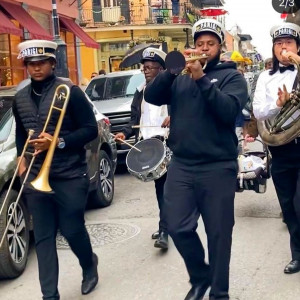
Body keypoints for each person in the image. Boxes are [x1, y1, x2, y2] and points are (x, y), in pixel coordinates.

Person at [144, 19, 248, 300]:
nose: (204, 48)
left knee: (218, 235)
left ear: (220, 47)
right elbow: (152, 96)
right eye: (199, 43)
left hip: (218, 166)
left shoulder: (232, 77)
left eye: (210, 44)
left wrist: (202, 78)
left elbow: (228, 111)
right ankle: (200, 278)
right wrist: (171, 70)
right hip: (182, 164)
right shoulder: (178, 77)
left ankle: (219, 293)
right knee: (177, 226)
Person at [13, 40, 99, 299]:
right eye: (31, 64)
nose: (36, 68)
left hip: (71, 173)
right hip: (37, 177)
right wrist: (21, 156)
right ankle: (49, 295)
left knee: (72, 229)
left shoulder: (70, 91)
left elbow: (90, 130)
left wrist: (59, 142)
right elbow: (21, 132)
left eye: (41, 63)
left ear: (52, 63)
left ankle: (89, 265)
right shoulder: (20, 98)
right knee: (43, 237)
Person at [253, 22, 300, 275]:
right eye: (279, 43)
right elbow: (259, 111)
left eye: (289, 43)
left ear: (297, 47)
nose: (284, 47)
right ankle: (297, 254)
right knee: (288, 207)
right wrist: (278, 104)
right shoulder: (265, 77)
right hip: (280, 147)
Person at [114, 47, 170, 250]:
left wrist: (175, 116)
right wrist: (124, 133)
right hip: (149, 144)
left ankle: (166, 230)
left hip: (168, 142)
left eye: (150, 67)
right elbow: (134, 120)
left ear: (161, 69)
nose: (145, 71)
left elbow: (186, 109)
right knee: (160, 189)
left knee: (167, 189)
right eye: (144, 68)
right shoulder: (140, 92)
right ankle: (166, 225)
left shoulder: (172, 89)